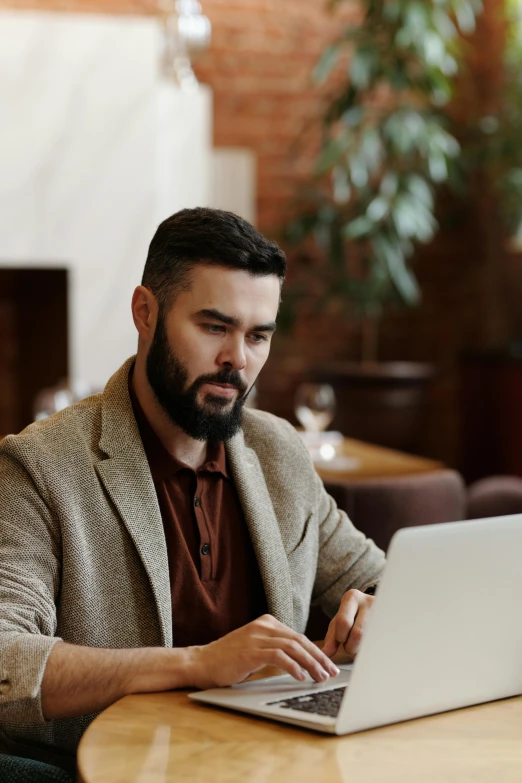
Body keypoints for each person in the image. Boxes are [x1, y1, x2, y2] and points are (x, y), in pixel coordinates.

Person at [0, 208, 385, 773]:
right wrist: (196, 663)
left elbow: (375, 578)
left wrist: (375, 607)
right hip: (117, 769)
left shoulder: (278, 450)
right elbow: (5, 660)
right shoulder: (42, 465)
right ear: (145, 313)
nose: (238, 359)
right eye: (214, 327)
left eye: (258, 336)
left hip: (273, 762)